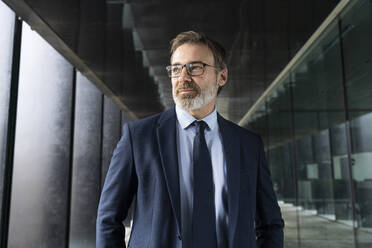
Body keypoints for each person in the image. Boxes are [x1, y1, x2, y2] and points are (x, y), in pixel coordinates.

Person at [96, 31, 284, 248]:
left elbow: (270, 224)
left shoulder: (249, 145)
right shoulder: (138, 137)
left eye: (195, 67)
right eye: (176, 69)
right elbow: (109, 218)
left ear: (221, 76)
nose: (183, 78)